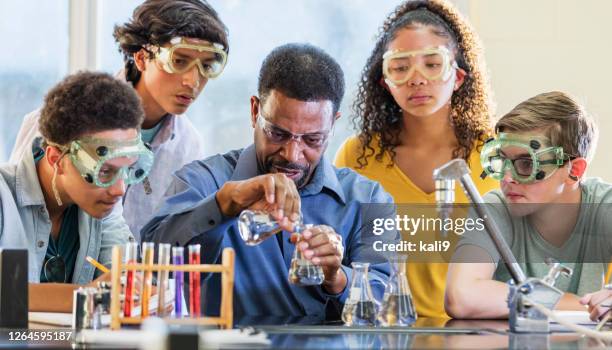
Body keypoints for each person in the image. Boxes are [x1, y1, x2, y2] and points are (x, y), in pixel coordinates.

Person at [142, 43, 396, 321]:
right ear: (254, 111)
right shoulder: (202, 181)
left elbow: (391, 306)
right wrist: (224, 205)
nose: (292, 154)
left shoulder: (369, 199)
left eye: (312, 139)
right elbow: (152, 265)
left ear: (333, 125)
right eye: (277, 133)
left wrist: (338, 278)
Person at [9, 0, 229, 239]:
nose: (193, 81)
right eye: (179, 61)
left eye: (207, 66)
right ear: (142, 57)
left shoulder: (189, 145)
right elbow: (16, 221)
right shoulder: (57, 121)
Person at [334, 0, 497, 318]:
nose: (417, 79)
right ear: (385, 81)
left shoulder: (495, 156)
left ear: (459, 76)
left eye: (432, 64)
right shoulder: (356, 156)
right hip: (381, 331)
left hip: (474, 332)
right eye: (400, 66)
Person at [445, 91, 612, 319]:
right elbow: (461, 297)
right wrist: (579, 305)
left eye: (526, 164)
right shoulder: (494, 209)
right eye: (503, 161)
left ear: (574, 171)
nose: (506, 178)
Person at [0, 71, 152, 312]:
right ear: (56, 159)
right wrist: (93, 294)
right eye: (104, 171)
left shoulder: (103, 208)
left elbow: (125, 283)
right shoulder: (3, 196)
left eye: (127, 170)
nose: (119, 189)